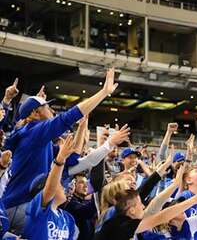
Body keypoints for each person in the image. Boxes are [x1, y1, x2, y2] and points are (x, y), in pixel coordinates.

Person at [3, 68, 119, 233]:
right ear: (35, 114)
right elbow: (68, 117)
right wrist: (103, 93)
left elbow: (73, 156)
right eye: (46, 107)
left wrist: (83, 127)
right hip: (21, 205)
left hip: (18, 205)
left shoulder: (36, 138)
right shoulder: (34, 131)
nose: (51, 110)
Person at [23, 134, 78, 240]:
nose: (63, 186)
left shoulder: (68, 219)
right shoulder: (36, 208)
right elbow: (49, 189)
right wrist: (60, 159)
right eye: (59, 183)